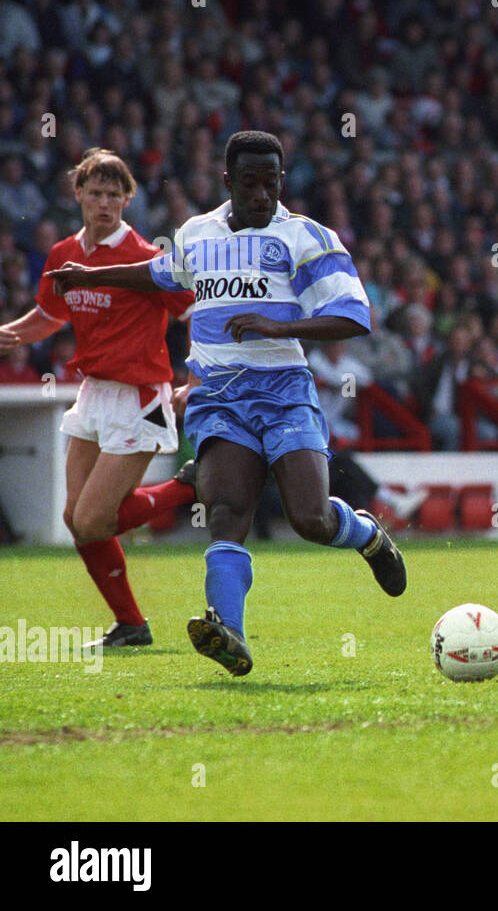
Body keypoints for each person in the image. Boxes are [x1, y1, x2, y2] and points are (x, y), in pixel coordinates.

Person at [50, 131, 405, 677]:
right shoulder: (197, 233)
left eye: (271, 182)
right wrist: (90, 274)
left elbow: (355, 316)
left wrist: (279, 323)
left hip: (284, 392)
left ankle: (365, 534)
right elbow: (158, 275)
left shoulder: (307, 237)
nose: (262, 194)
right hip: (218, 395)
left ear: (282, 182)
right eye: (250, 183)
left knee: (308, 518)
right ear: (227, 183)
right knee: (225, 515)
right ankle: (229, 631)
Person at [0, 148, 196, 648]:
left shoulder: (148, 258)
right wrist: (13, 334)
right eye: (95, 193)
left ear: (128, 199)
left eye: (114, 194)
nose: (104, 203)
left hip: (141, 395)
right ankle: (132, 626)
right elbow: (51, 314)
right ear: (79, 195)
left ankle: (191, 488)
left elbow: (194, 313)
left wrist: (195, 376)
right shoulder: (64, 253)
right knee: (75, 520)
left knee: (92, 519)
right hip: (93, 394)